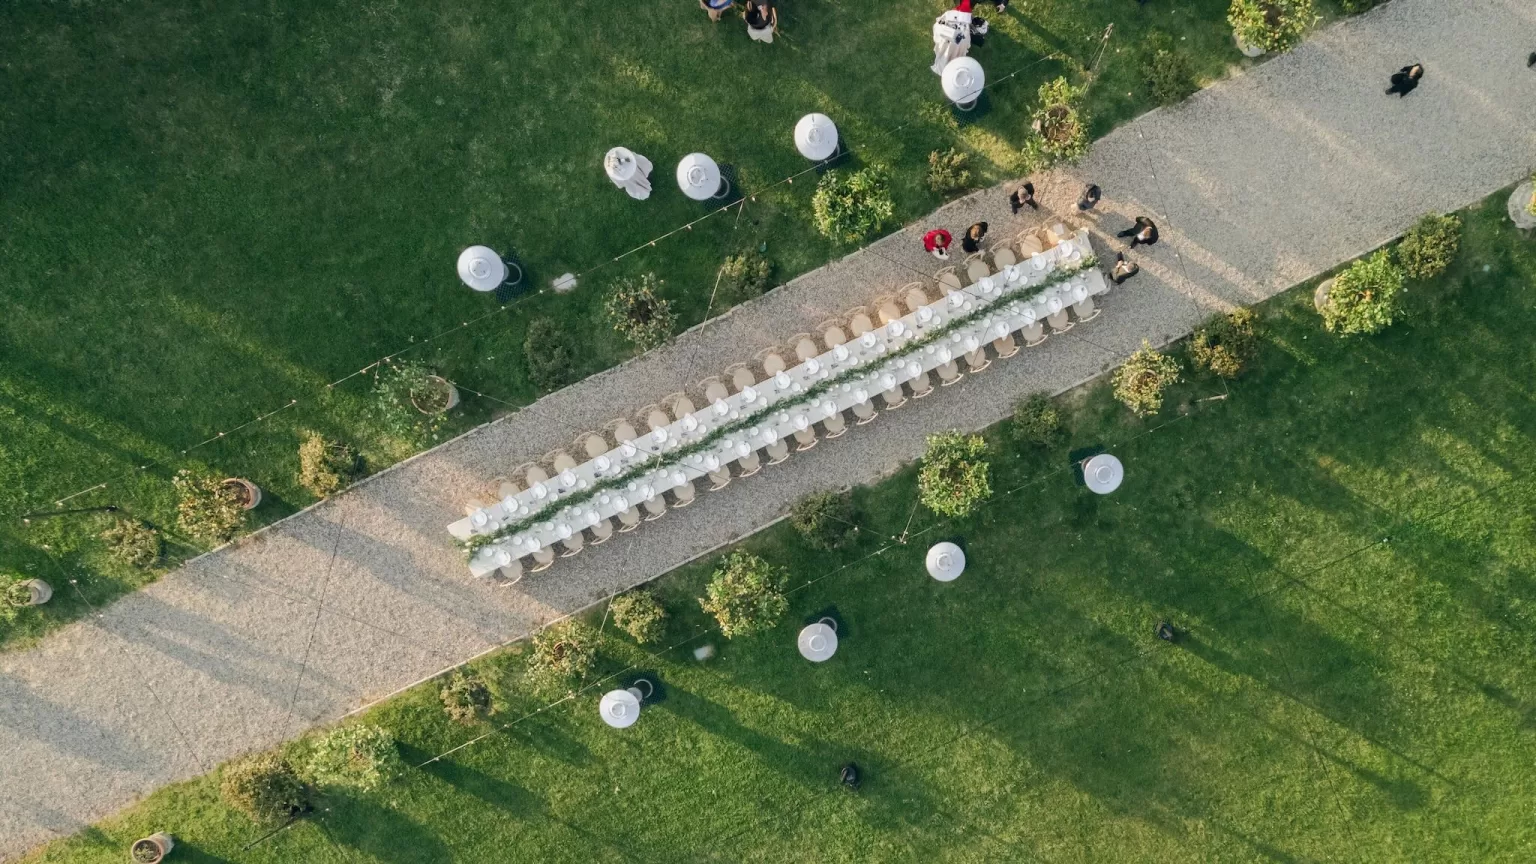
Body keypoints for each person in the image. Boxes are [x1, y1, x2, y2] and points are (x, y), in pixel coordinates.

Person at [931, 0, 973, 75]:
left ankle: (946, 62)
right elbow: (967, 44)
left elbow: (938, 26)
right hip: (958, 44)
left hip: (950, 42)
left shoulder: (949, 15)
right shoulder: (966, 27)